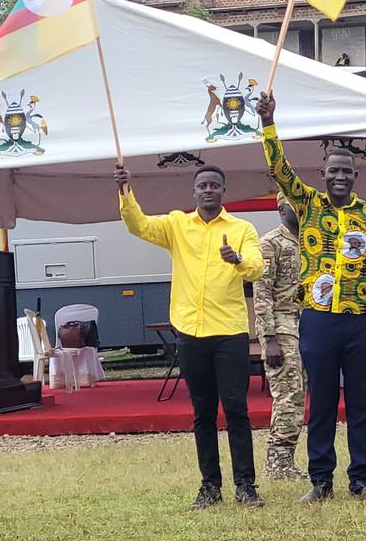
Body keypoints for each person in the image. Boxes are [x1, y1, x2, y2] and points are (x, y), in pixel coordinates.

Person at [257, 92, 366, 503]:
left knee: (363, 401)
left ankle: (362, 479)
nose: (341, 176)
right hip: (319, 319)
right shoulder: (307, 204)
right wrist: (269, 123)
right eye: (334, 170)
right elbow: (278, 168)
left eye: (347, 170)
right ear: (323, 173)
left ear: (355, 176)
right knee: (323, 401)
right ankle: (321, 481)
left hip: (362, 319)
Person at [114, 164, 265, 509]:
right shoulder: (177, 225)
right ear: (193, 192)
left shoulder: (242, 228)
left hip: (229, 333)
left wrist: (238, 259)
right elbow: (139, 224)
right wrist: (125, 191)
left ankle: (246, 485)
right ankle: (210, 486)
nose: (208, 190)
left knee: (237, 409)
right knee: (202, 413)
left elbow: (257, 266)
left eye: (215, 185)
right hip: (191, 332)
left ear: (224, 191)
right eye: (202, 185)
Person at [254, 192, 307, 480]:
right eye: (291, 206)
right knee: (288, 394)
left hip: (307, 325)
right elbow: (261, 294)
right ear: (280, 208)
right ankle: (278, 463)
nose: (297, 211)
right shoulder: (270, 243)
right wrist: (269, 339)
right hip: (281, 327)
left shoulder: (311, 241)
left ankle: (287, 461)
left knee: (300, 394)